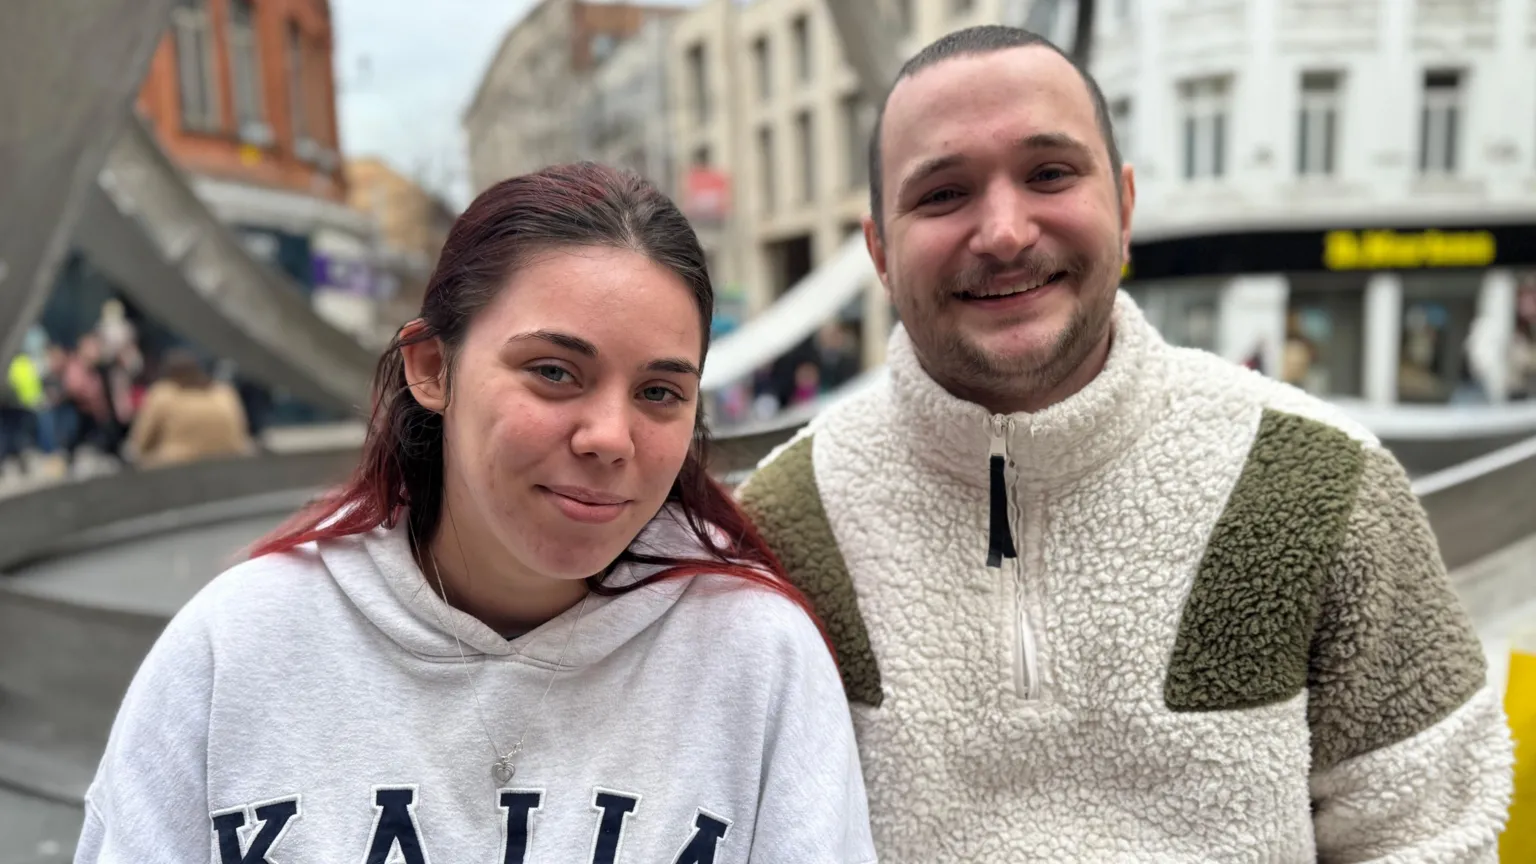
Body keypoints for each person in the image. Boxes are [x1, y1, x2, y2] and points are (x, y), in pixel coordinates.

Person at [737, 25, 1512, 862]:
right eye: (943, 194)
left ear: (1126, 206)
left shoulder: (1323, 483)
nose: (1002, 231)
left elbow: (1435, 829)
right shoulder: (779, 526)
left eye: (1049, 174)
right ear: (880, 253)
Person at [77, 163, 875, 864]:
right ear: (432, 367)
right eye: (555, 372)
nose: (609, 437)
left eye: (659, 393)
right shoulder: (235, 647)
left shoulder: (756, 659)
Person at [126, 349, 253, 468]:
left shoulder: (164, 394)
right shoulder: (224, 392)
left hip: (178, 465)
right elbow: (241, 434)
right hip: (230, 462)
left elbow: (141, 441)